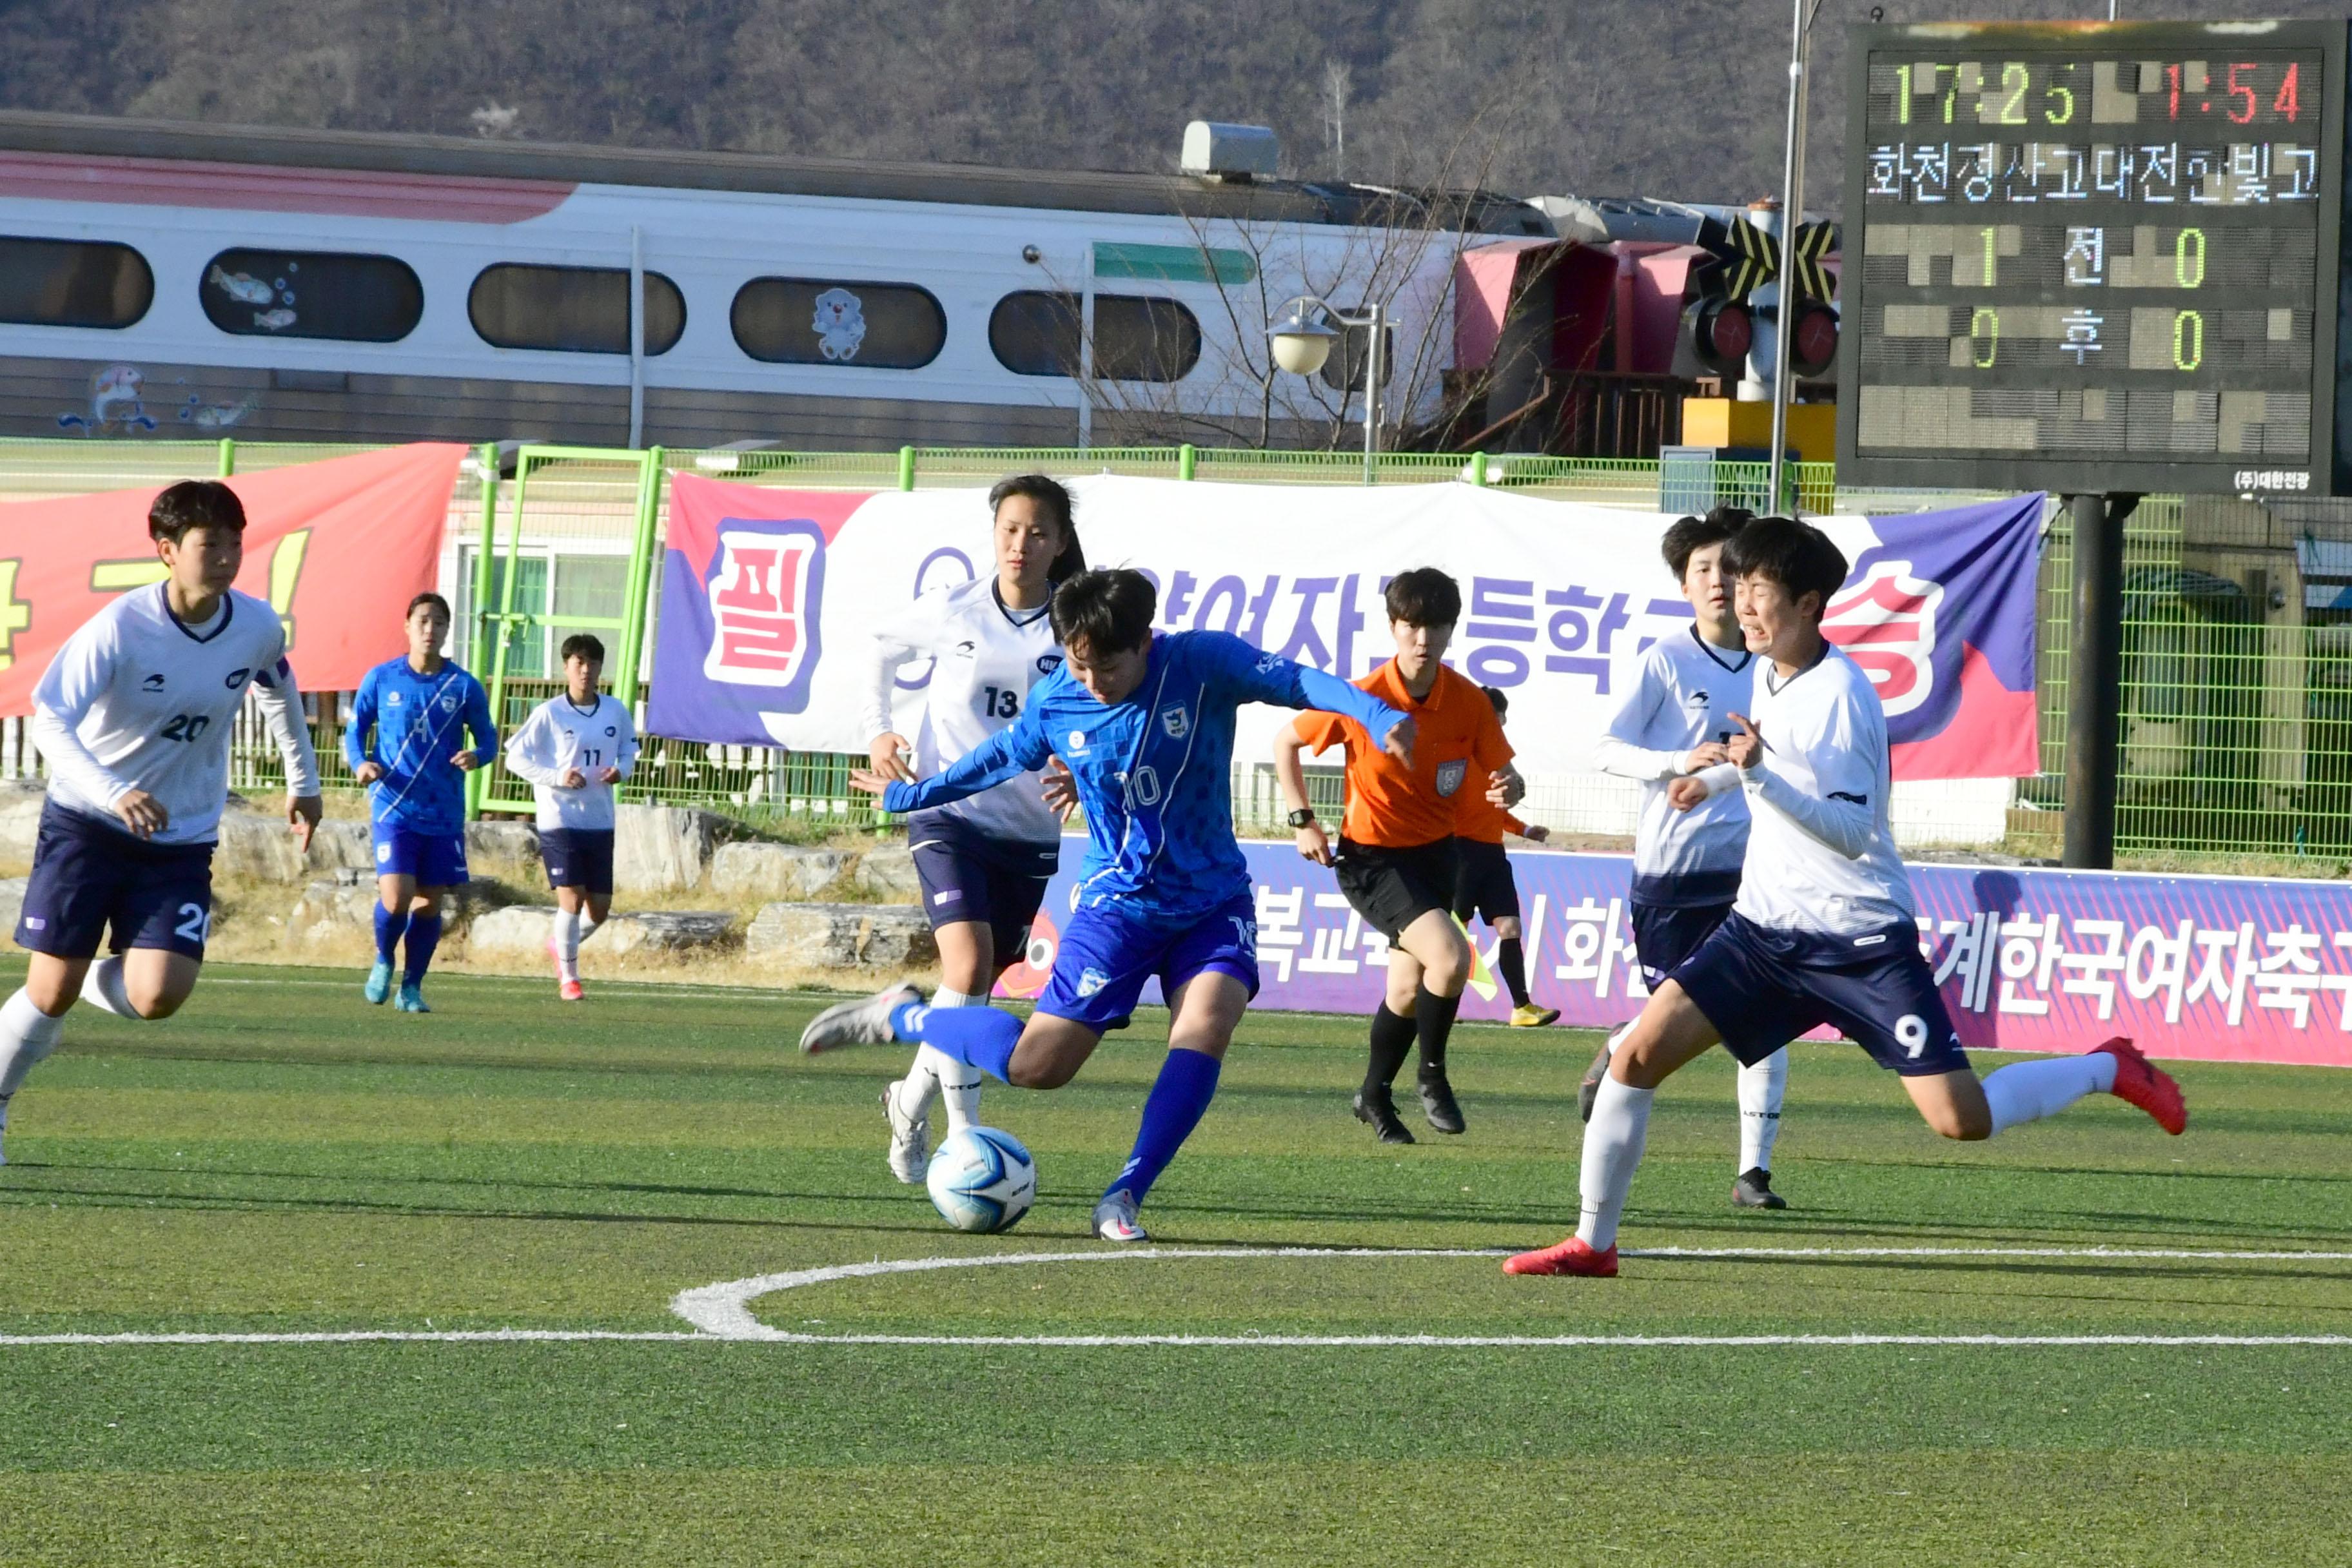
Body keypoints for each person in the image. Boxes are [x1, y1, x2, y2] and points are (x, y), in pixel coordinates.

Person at [1505, 516, 2186, 1280]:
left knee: (1962, 1120)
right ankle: (1594, 1244)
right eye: (1737, 587)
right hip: (1761, 932)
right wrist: (1722, 775)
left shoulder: (1843, 697)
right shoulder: (1769, 669)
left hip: (1858, 943)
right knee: (1633, 1057)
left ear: (1809, 603)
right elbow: (1766, 754)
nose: (1742, 606)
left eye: (1758, 593)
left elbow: (1853, 828)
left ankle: (2108, 1065)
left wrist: (1754, 777)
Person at [799, 567, 1414, 1242]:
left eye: (1107, 665)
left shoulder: (1203, 662)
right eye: (1077, 663)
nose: (1092, 680)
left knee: (1206, 1025)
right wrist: (911, 796)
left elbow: (1299, 681)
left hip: (1212, 900)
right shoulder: (1061, 700)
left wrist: (1376, 712)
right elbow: (1000, 757)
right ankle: (907, 1013)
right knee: (1038, 1068)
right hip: (1117, 906)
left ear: (1145, 640)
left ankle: (1125, 1194)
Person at [0, 480, 321, 1164]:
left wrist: (305, 781)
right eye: (212, 544)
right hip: (87, 822)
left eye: (237, 542)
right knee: (46, 994)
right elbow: (49, 714)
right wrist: (114, 790)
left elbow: (279, 689)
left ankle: (80, 968)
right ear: (168, 550)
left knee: (156, 995)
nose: (229, 556)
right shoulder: (122, 625)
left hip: (180, 836)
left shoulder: (258, 624)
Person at [858, 475, 1084, 1184]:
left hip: (1029, 831)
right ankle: (965, 1139)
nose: (1022, 544)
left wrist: (1082, 769)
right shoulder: (953, 610)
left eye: (1038, 532)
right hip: (947, 813)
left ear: (1061, 542)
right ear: (994, 533)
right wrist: (879, 732)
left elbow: (1103, 706)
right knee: (965, 967)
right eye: (1011, 529)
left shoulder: (1072, 628)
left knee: (977, 984)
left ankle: (907, 1100)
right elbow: (879, 649)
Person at [1585, 505, 1792, 1210]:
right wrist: (1679, 760)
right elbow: (1605, 749)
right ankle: (1620, 1043)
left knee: (1765, 1018)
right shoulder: (1665, 659)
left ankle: (1754, 1173)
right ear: (1683, 584)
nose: (1715, 580)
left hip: (1750, 877)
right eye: (1701, 568)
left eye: (1727, 568)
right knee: (1671, 1019)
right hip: (1670, 878)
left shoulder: (1773, 669)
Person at [1273, 567, 1520, 1143]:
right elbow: (1286, 741)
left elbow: (1503, 770)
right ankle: (1432, 1077)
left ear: (1451, 631)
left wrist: (1510, 785)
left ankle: (1372, 1095)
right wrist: (1302, 820)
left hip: (1438, 857)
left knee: (1408, 992)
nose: (1423, 638)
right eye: (1411, 625)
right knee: (1453, 960)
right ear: (1393, 628)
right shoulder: (1363, 698)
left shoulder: (1467, 701)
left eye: (1435, 625)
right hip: (1372, 861)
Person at [344, 593, 497, 1014]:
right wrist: (361, 763)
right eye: (424, 622)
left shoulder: (463, 686)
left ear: (448, 631)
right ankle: (382, 959)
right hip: (394, 805)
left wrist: (478, 755)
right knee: (396, 896)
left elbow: (488, 738)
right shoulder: (382, 678)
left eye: (440, 623)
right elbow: (355, 730)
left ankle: (411, 987)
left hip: (443, 810)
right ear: (408, 626)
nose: (431, 630)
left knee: (429, 902)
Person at [502, 632, 638, 1001]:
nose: (585, 670)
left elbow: (629, 749)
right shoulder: (549, 713)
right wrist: (556, 778)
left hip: (600, 818)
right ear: (566, 667)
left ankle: (560, 946)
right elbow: (515, 757)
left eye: (592, 663)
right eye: (578, 663)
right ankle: (570, 977)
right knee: (572, 899)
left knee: (600, 909)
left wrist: (621, 771)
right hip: (559, 817)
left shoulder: (615, 710)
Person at [1453, 685, 1558, 1030]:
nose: (1501, 722)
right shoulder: (1459, 756)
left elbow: (1494, 809)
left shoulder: (1497, 761)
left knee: (1510, 927)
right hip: (1459, 853)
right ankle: (1436, 1002)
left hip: (1492, 854)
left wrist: (1525, 830)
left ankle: (1522, 1007)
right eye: (1497, 716)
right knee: (1452, 935)